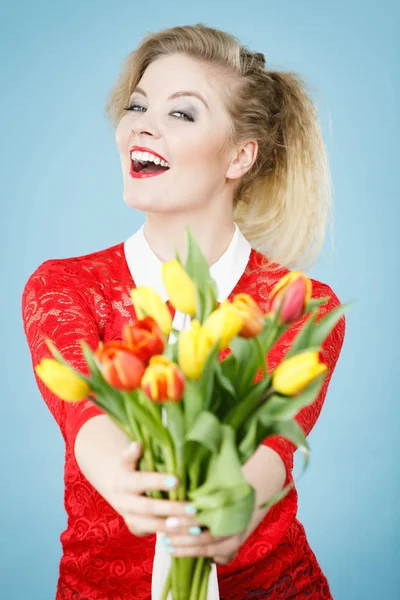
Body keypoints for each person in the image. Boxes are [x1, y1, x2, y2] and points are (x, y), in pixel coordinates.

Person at [22, 23, 346, 600]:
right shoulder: (64, 286)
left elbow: (276, 448)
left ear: (240, 156)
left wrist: (232, 509)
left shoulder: (302, 306)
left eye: (182, 113)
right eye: (138, 105)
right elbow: (82, 414)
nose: (141, 124)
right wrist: (125, 482)